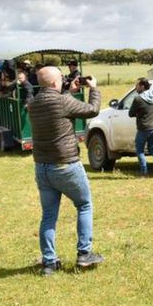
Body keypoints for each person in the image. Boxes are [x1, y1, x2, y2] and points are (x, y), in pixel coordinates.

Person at [28, 67, 103, 276]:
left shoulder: (33, 103)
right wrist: (94, 89)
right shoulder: (62, 101)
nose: (63, 81)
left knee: (49, 215)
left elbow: (56, 108)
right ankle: (84, 254)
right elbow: (92, 110)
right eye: (61, 78)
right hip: (65, 164)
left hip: (42, 166)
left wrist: (69, 91)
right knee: (84, 204)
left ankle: (49, 263)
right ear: (54, 83)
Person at [128, 78, 153, 175]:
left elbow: (130, 113)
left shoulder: (138, 99)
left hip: (143, 129)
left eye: (137, 85)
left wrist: (138, 113)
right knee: (152, 149)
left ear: (142, 86)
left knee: (140, 150)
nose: (135, 87)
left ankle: (144, 172)